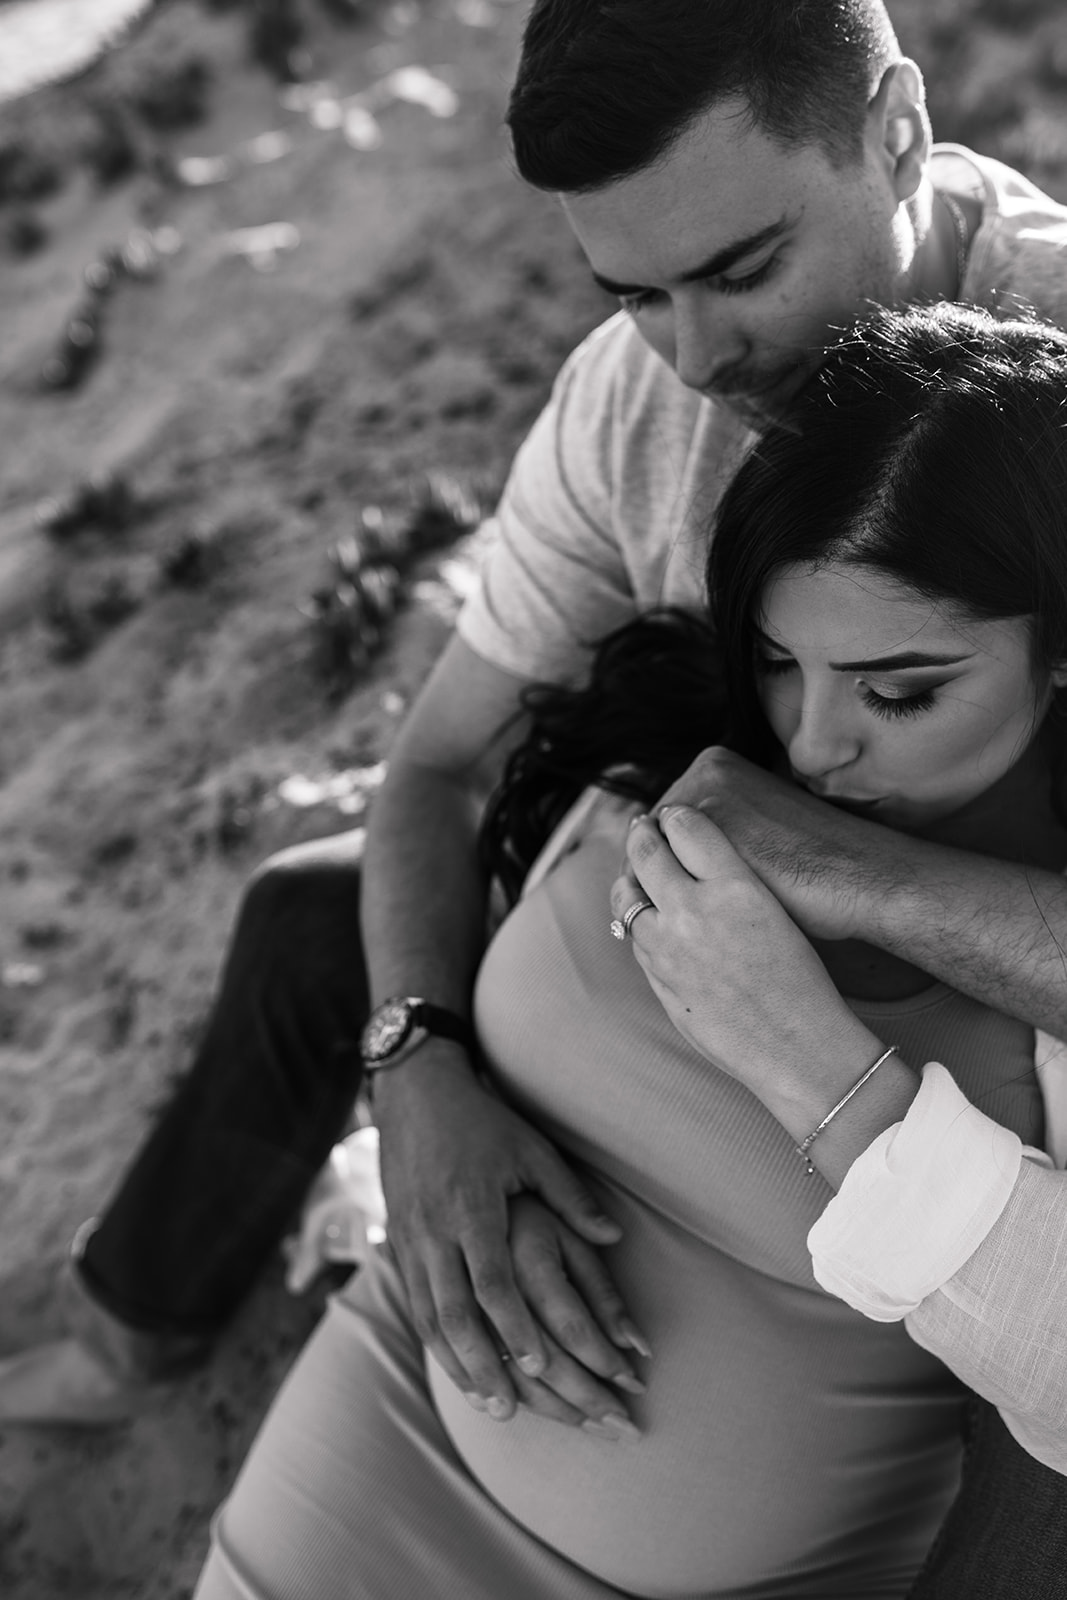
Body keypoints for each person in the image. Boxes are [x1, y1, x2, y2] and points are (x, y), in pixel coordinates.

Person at [3, 0, 1067, 1447]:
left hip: (988, 1014)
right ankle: (133, 1343)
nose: (694, 357)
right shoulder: (628, 407)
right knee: (312, 923)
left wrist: (843, 870)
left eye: (743, 268)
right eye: (631, 292)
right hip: (724, 924)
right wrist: (418, 1062)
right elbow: (437, 769)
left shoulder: (1049, 385)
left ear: (895, 131)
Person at [191, 301, 1067, 1599]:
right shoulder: (673, 740)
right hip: (384, 1428)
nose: (816, 743)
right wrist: (418, 1069)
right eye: (778, 660)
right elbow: (429, 788)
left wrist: (818, 1067)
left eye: (902, 691)